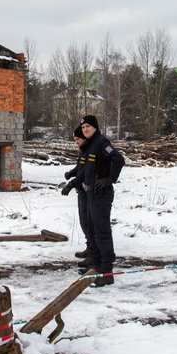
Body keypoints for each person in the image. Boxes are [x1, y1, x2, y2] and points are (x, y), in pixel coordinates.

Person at [77, 115, 124, 287]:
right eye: (83, 127)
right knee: (91, 230)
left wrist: (109, 179)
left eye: (88, 126)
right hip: (90, 193)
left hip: (101, 194)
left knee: (102, 232)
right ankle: (96, 268)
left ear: (95, 127)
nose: (85, 129)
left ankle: (107, 272)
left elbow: (118, 160)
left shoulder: (102, 142)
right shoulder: (89, 144)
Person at [60, 126, 93, 263]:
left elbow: (85, 173)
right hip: (81, 191)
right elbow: (79, 168)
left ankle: (93, 252)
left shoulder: (89, 151)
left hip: (87, 191)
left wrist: (70, 184)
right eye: (75, 139)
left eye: (77, 139)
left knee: (89, 224)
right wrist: (71, 173)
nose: (76, 142)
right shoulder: (83, 151)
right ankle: (89, 247)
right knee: (84, 222)